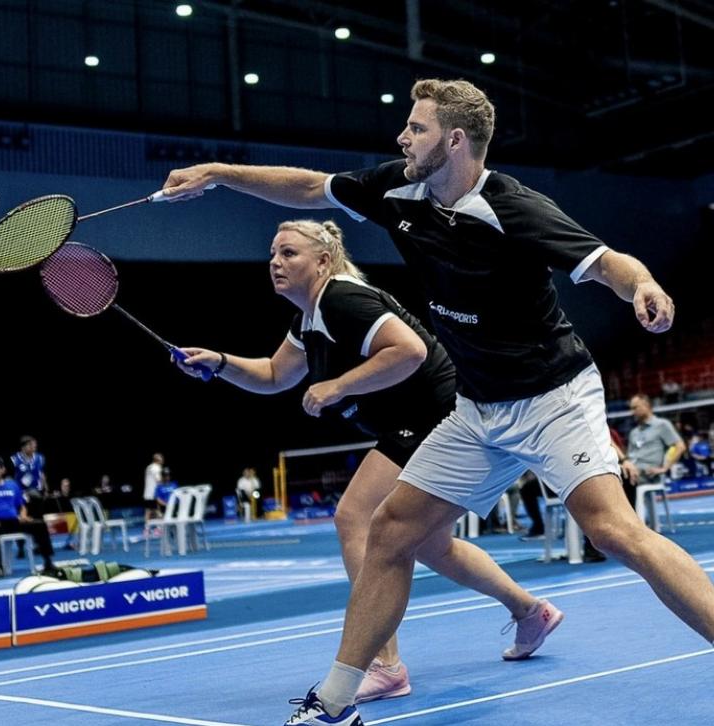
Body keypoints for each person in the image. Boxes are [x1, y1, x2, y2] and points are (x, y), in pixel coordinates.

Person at [161, 77, 714, 726]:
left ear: (454, 140)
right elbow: (309, 186)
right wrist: (220, 173)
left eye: (415, 128)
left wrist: (643, 285)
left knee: (614, 532)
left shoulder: (514, 207)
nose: (402, 137)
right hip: (478, 408)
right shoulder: (398, 189)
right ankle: (337, 702)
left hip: (553, 397)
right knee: (390, 530)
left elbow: (606, 261)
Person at [176, 218, 562, 704]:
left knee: (355, 516)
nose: (276, 262)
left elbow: (410, 350)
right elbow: (275, 375)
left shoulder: (343, 299)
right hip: (425, 419)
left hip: (439, 413)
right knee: (431, 545)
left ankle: (384, 664)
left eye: (289, 253)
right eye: (273, 254)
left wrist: (338, 385)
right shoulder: (309, 319)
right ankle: (531, 612)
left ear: (323, 260)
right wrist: (221, 363)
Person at [0, 455, 55, 578]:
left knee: (40, 524)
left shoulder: (12, 485)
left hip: (14, 521)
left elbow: (22, 506)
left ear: (2, 469)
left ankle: (48, 562)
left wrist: (23, 516)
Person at [622, 394, 686, 499]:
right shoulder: (633, 432)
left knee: (619, 479)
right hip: (632, 471)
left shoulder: (662, 425)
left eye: (635, 408)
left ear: (646, 405)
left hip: (648, 475)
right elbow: (629, 457)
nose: (632, 412)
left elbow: (680, 446)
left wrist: (665, 468)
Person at [11, 435, 48, 558]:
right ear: (25, 446)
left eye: (35, 445)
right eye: (32, 445)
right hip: (21, 495)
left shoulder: (40, 458)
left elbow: (41, 474)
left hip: (36, 495)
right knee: (22, 520)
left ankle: (38, 545)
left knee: (38, 520)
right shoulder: (14, 459)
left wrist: (45, 488)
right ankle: (21, 547)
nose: (34, 447)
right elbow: (10, 479)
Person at [143, 453, 164, 528]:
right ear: (158, 460)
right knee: (157, 510)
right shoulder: (157, 468)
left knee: (148, 511)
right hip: (153, 493)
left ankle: (146, 528)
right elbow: (158, 480)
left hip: (147, 493)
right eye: (161, 459)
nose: (163, 460)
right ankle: (160, 527)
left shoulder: (149, 467)